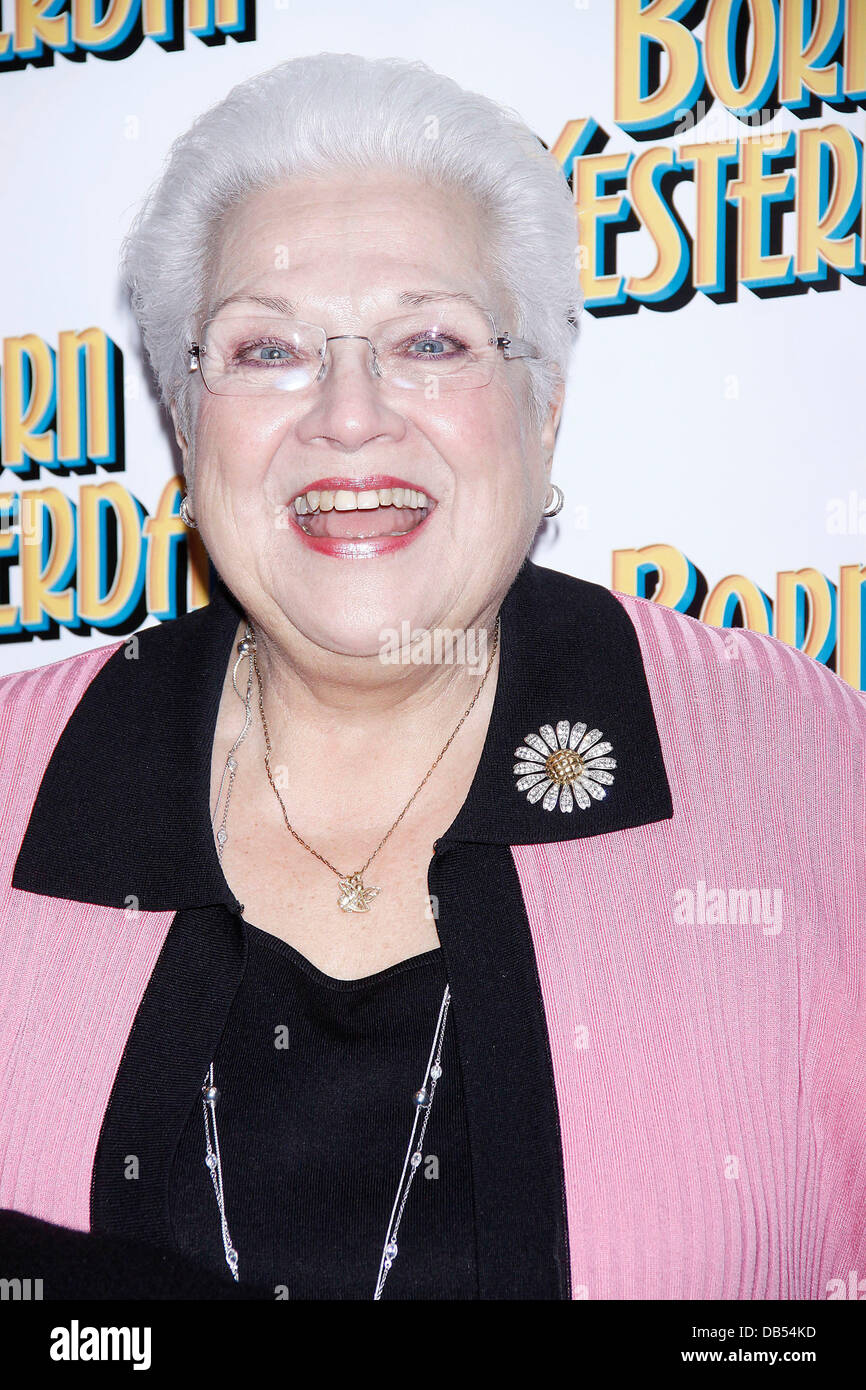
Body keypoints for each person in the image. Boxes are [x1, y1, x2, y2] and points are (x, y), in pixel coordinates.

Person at [0, 52, 863, 1301]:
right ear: (185, 425)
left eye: (429, 339)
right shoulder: (21, 778)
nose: (349, 414)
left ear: (544, 404)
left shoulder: (804, 777)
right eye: (265, 351)